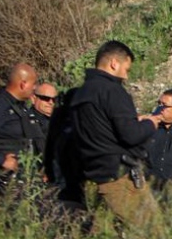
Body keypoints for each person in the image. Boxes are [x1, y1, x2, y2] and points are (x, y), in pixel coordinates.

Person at [68, 41, 163, 226]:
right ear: (114, 63)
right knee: (154, 237)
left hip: (93, 176)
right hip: (120, 178)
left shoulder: (81, 94)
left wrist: (132, 120)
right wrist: (151, 124)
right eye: (126, 69)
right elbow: (131, 135)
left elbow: (101, 130)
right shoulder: (112, 90)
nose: (126, 77)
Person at [0, 63, 46, 197]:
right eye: (33, 84)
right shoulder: (0, 106)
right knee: (16, 216)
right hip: (10, 180)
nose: (35, 88)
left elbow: (35, 138)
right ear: (23, 84)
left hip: (29, 176)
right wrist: (2, 160)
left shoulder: (21, 107)